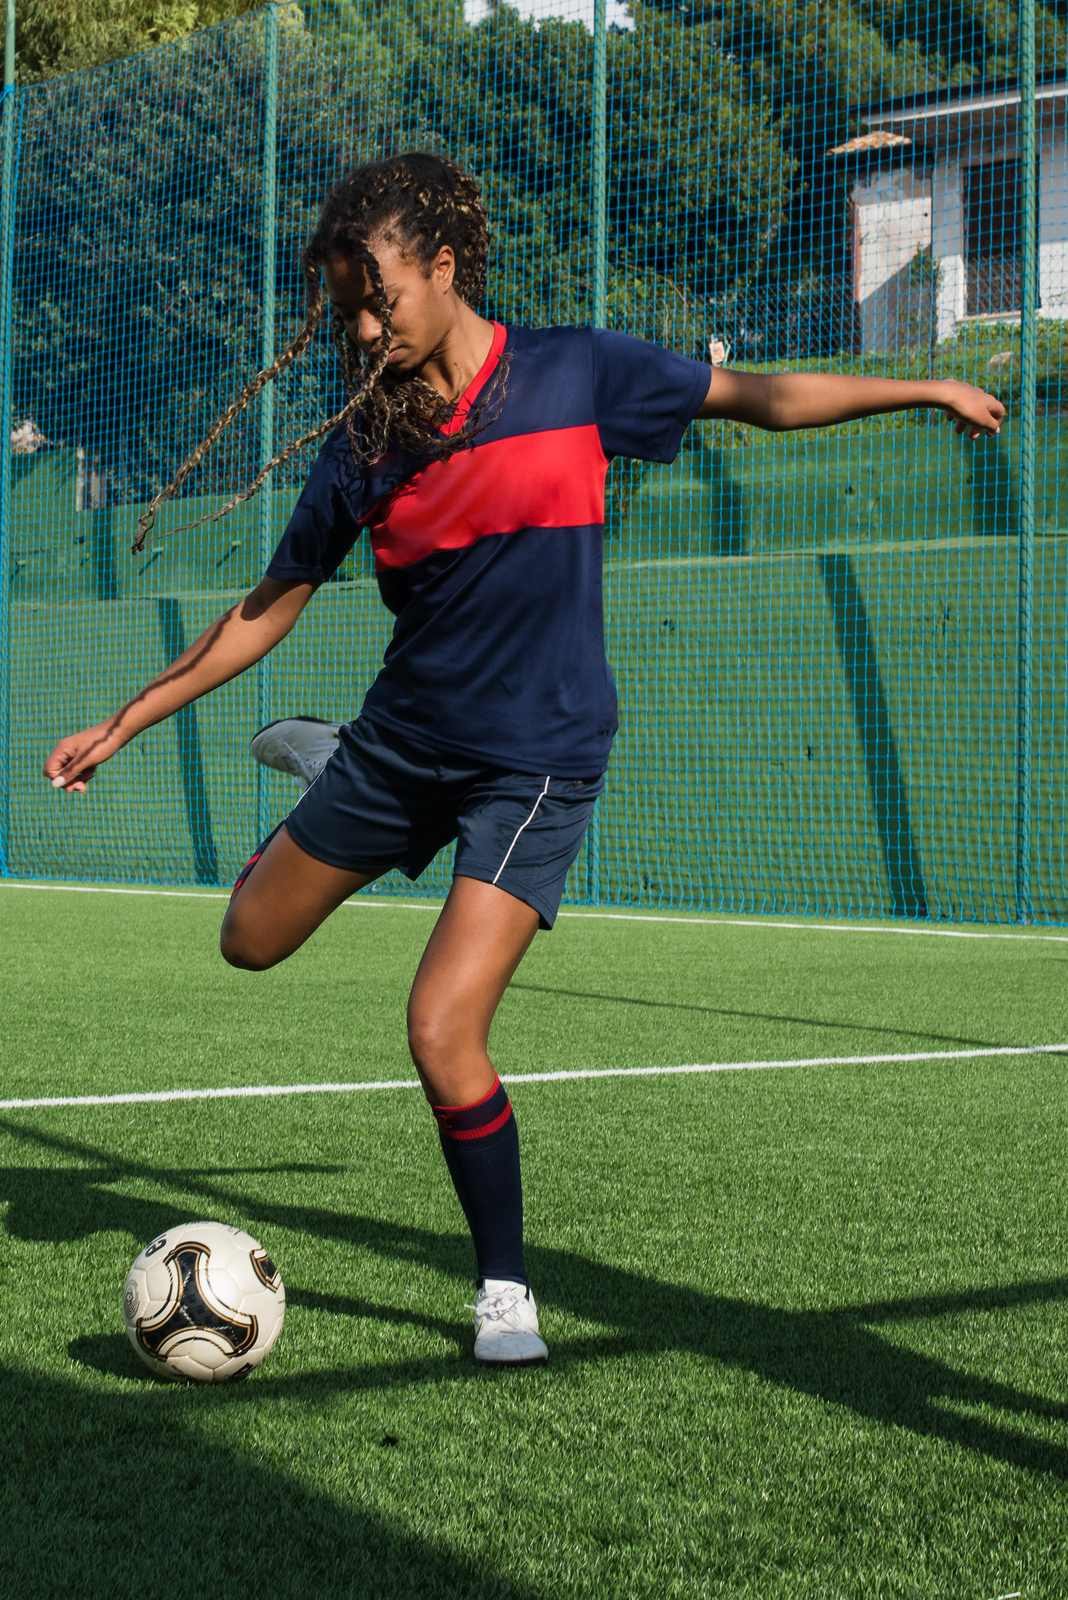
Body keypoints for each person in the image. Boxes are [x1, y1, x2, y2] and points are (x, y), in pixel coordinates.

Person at [44, 152, 1005, 1366]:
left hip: (535, 757)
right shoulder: (363, 448)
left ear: (446, 268)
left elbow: (754, 396)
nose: (358, 323)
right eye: (341, 303)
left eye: (376, 293)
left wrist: (919, 389)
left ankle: (503, 1288)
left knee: (442, 1026)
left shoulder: (576, 371)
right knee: (248, 938)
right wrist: (125, 723)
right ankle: (338, 759)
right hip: (404, 741)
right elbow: (270, 603)